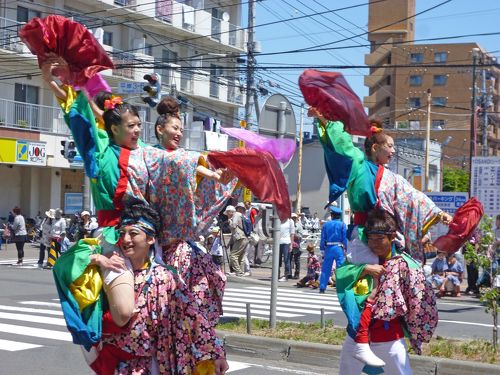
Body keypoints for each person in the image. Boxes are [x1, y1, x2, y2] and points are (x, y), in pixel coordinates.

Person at [80, 201, 229, 374]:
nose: (126, 239)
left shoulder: (165, 277)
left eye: (133, 233)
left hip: (150, 365)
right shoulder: (110, 267)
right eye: (122, 233)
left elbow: (193, 315)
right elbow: (68, 268)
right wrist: (96, 258)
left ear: (151, 239)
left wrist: (216, 353)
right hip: (115, 363)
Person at [308, 108, 452, 262]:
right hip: (363, 234)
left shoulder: (393, 177)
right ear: (375, 148)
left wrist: (438, 213)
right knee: (365, 279)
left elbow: (413, 197)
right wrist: (323, 118)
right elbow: (343, 145)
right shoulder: (359, 165)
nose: (393, 150)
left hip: (388, 238)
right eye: (390, 146)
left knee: (390, 278)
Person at [337, 209, 438, 374]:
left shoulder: (405, 264)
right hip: (356, 334)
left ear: (392, 237)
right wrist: (364, 269)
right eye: (370, 239)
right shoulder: (361, 258)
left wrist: (417, 334)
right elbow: (342, 276)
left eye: (379, 239)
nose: (374, 244)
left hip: (388, 336)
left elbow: (420, 303)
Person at [319, 206, 347, 293]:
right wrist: (347, 248)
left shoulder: (326, 225)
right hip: (338, 248)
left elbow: (323, 238)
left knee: (326, 268)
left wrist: (322, 248)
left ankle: (322, 287)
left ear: (332, 215)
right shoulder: (342, 225)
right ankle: (341, 287)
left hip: (328, 248)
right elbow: (344, 239)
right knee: (340, 268)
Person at [225, 205, 249, 277]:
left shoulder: (236, 215)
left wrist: (229, 221)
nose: (227, 215)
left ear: (230, 211)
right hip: (244, 238)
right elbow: (233, 234)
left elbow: (233, 226)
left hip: (240, 238)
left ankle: (238, 272)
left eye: (227, 213)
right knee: (240, 257)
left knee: (233, 256)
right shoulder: (239, 216)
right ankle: (240, 272)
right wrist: (229, 244)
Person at [278, 214, 295, 281]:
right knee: (277, 260)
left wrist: (291, 244)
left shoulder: (290, 221)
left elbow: (292, 233)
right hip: (278, 242)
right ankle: (277, 274)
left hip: (286, 242)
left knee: (286, 259)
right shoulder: (278, 220)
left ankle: (286, 275)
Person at [290, 212, 304, 279]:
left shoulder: (299, 225)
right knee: (288, 259)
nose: (293, 219)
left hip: (296, 245)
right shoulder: (288, 224)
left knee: (297, 260)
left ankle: (297, 273)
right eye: (292, 218)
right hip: (289, 244)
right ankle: (288, 273)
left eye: (294, 218)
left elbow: (301, 236)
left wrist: (295, 235)